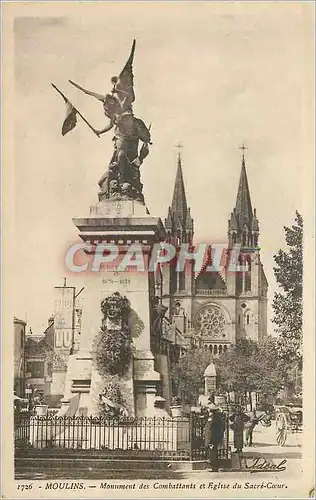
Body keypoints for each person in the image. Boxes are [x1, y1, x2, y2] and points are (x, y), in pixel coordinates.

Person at [204, 404, 226, 471]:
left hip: (212, 438)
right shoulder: (217, 417)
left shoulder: (212, 418)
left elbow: (210, 429)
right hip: (214, 438)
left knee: (212, 452)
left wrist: (210, 440)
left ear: (210, 410)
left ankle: (214, 467)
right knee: (213, 451)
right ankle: (214, 467)